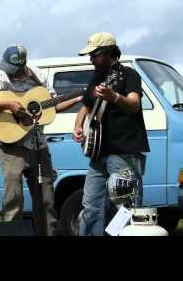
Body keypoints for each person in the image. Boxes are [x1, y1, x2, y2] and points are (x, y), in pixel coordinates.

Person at [0, 45, 81, 235]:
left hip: (38, 145)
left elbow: (54, 105)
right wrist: (8, 104)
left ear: (23, 64)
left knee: (46, 199)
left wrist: (79, 97)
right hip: (11, 146)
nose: (11, 72)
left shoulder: (37, 76)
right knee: (13, 199)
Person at [72, 32, 150, 236]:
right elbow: (86, 107)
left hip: (123, 153)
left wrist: (114, 96)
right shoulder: (95, 78)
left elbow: (134, 104)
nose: (91, 60)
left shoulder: (128, 75)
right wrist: (78, 127)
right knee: (90, 207)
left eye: (94, 55)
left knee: (125, 209)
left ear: (107, 53)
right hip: (98, 155)